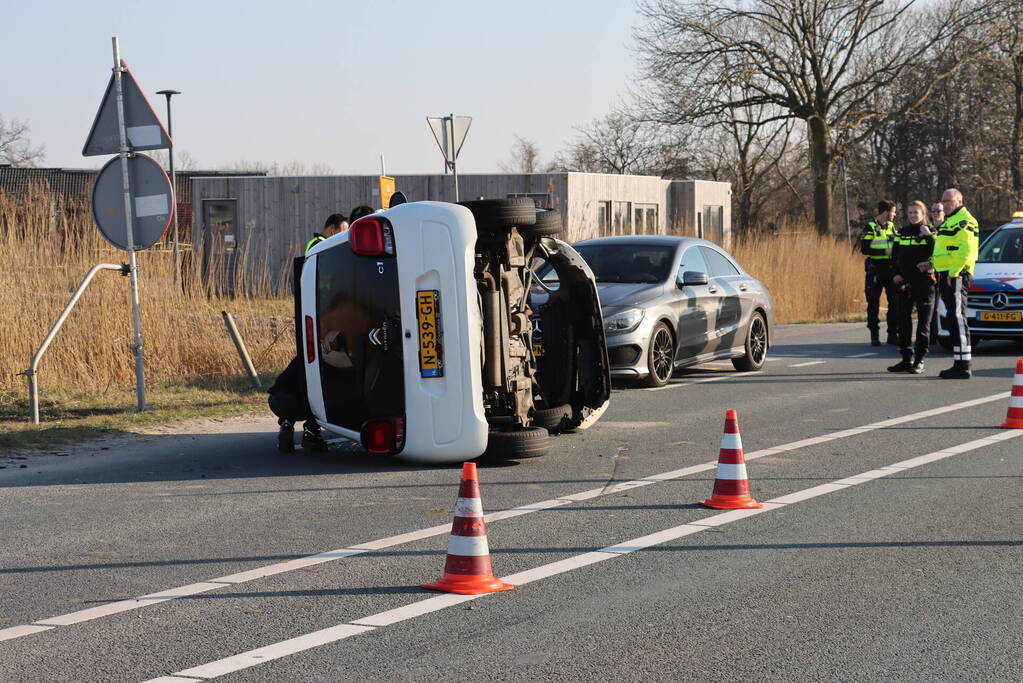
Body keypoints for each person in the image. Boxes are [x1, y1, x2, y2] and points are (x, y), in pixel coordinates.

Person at [931, 188, 979, 379]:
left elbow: (966, 250)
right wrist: (932, 264)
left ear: (959, 201)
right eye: (943, 200)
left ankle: (963, 365)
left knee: (957, 318)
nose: (945, 204)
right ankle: (959, 362)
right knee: (953, 317)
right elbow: (945, 249)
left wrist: (953, 272)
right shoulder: (950, 221)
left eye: (949, 201)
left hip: (956, 275)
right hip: (947, 274)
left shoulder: (964, 221)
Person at [887, 201, 936, 374]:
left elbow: (938, 254)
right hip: (904, 284)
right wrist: (895, 274)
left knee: (923, 325)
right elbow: (894, 256)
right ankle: (906, 359)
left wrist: (929, 236)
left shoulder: (931, 232)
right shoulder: (902, 232)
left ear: (923, 213)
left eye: (916, 212)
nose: (913, 215)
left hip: (924, 283)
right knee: (903, 323)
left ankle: (920, 360)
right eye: (910, 212)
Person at [267, 356, 326, 452]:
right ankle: (311, 432)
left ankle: (286, 426)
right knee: (317, 404)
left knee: (290, 405)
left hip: (275, 399)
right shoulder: (320, 363)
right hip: (296, 404)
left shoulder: (302, 358)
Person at [861, 200, 899, 346]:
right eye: (893, 212)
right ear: (886, 212)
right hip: (875, 269)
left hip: (891, 269)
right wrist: (884, 251)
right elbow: (864, 249)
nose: (894, 215)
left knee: (894, 302)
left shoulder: (892, 227)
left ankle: (892, 334)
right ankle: (874, 334)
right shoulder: (870, 227)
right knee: (873, 303)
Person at [927, 202, 945, 345]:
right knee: (932, 305)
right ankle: (932, 336)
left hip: (946, 272)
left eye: (938, 210)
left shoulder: (948, 229)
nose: (935, 213)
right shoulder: (929, 229)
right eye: (933, 211)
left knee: (944, 305)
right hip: (932, 273)